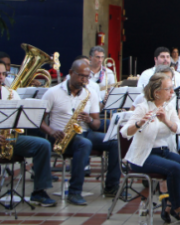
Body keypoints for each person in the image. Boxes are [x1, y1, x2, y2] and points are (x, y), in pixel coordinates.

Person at [120, 73, 180, 225]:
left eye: (172, 88)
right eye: (168, 89)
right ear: (157, 92)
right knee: (175, 168)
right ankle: (179, 208)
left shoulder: (168, 108)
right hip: (143, 155)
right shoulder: (143, 108)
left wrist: (166, 120)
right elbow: (124, 132)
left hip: (163, 152)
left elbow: (179, 129)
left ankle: (169, 203)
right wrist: (139, 124)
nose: (172, 92)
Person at [40, 60, 122, 205]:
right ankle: (74, 192)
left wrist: (90, 120)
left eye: (87, 77)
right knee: (84, 144)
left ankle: (111, 186)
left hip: (84, 131)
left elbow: (97, 123)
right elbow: (39, 120)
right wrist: (51, 131)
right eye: (81, 76)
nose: (84, 80)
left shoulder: (89, 93)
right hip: (61, 135)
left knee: (115, 142)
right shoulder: (53, 92)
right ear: (71, 73)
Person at [0, 58, 56, 207]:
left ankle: (39, 192)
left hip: (9, 139)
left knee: (43, 145)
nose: (1, 77)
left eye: (3, 74)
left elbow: (21, 120)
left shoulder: (11, 94)